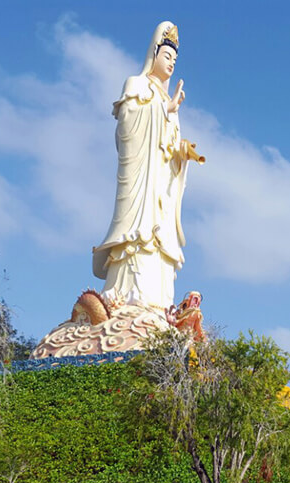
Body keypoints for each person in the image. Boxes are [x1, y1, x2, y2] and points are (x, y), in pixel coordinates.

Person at [93, 21, 204, 310]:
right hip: (140, 185)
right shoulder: (136, 84)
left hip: (160, 195)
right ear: (153, 56)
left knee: (160, 238)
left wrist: (181, 152)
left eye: (174, 60)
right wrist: (161, 110)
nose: (171, 64)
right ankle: (124, 295)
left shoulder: (169, 100)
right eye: (166, 56)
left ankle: (157, 301)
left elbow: (167, 148)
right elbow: (127, 123)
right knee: (136, 241)